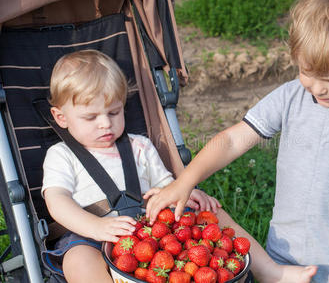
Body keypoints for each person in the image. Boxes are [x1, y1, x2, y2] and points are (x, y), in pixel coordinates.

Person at [144, 0, 329, 282]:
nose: (319, 88)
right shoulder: (291, 96)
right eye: (307, 72)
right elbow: (232, 140)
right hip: (284, 249)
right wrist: (185, 181)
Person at [41, 49, 221, 282]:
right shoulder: (61, 155)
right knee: (78, 260)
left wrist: (186, 191)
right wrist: (95, 226)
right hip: (91, 235)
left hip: (149, 230)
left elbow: (167, 187)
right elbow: (57, 200)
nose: (106, 123)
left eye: (114, 112)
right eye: (91, 117)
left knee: (202, 226)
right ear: (61, 117)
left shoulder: (140, 146)